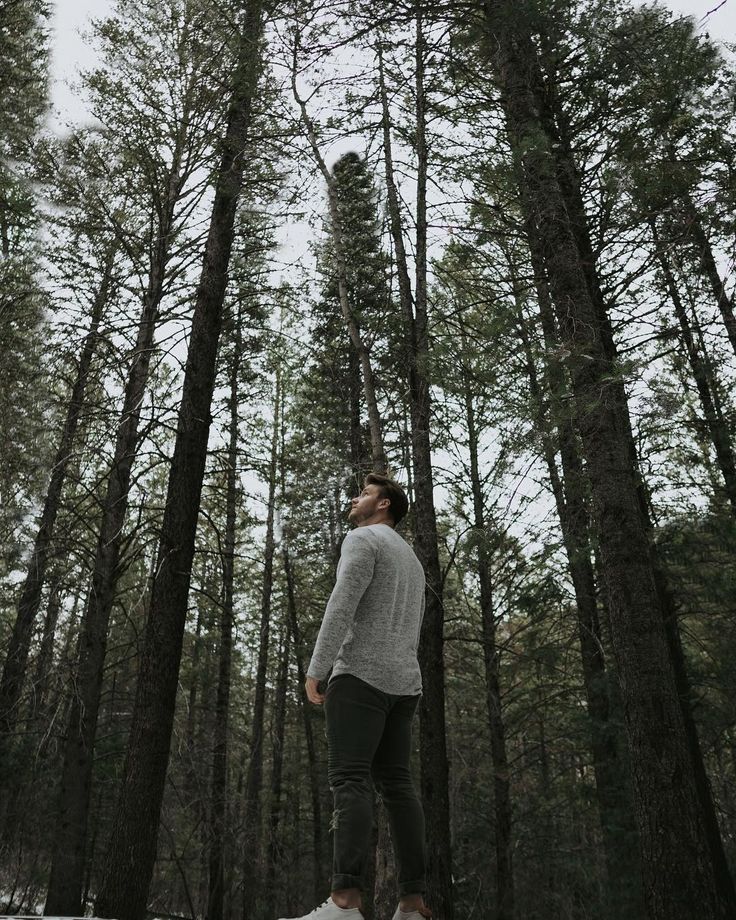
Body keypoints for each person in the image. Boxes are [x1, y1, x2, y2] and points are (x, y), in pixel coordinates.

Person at [277, 473, 431, 920]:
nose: (354, 499)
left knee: (350, 780)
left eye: (364, 494)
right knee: (399, 788)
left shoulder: (364, 540)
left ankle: (344, 902)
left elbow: (342, 603)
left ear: (384, 506)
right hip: (405, 685)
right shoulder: (413, 561)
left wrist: (316, 669)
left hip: (361, 676)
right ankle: (412, 905)